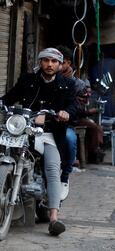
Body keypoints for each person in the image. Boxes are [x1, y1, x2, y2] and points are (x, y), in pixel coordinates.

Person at [1, 47, 77, 236]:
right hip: (24, 131)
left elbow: (73, 105)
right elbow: (10, 97)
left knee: (52, 168)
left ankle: (53, 218)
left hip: (49, 134)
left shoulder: (67, 84)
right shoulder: (28, 80)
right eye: (46, 60)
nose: (49, 64)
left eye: (53, 61)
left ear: (60, 65)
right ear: (40, 62)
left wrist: (66, 113)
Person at [56, 45, 77, 200]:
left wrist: (67, 113)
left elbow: (78, 106)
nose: (52, 65)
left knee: (70, 139)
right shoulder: (40, 77)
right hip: (40, 123)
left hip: (64, 124)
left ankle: (65, 175)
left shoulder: (75, 83)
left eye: (57, 61)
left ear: (67, 63)